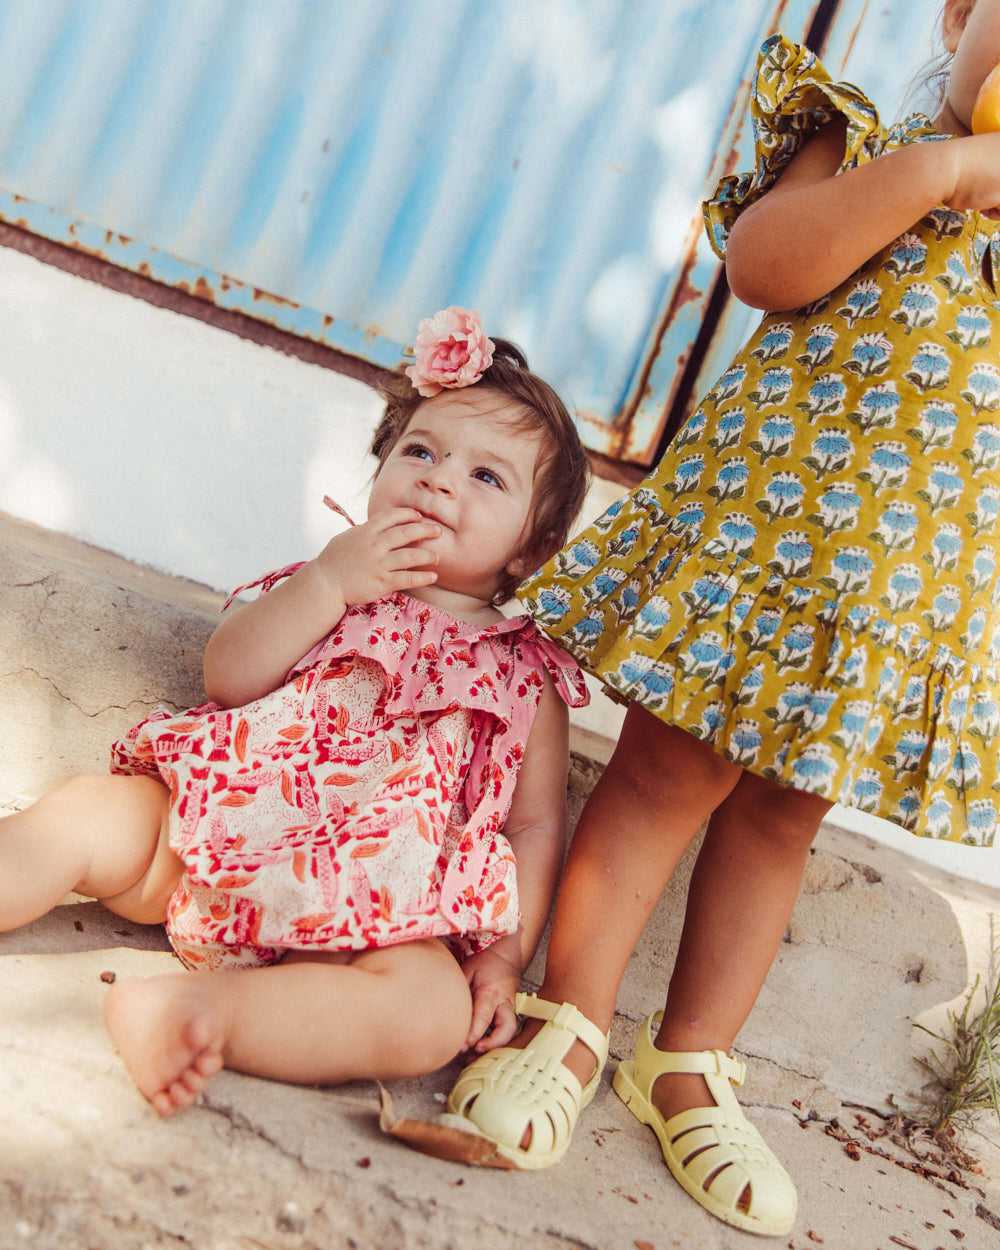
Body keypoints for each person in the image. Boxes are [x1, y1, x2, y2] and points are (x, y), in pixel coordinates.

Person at [441, 1, 1000, 1236]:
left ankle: (688, 1060)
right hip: (758, 555)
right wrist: (946, 172)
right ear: (960, 14)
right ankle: (570, 1022)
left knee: (784, 811)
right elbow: (765, 265)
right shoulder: (862, 143)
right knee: (661, 774)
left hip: (893, 608)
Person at [0, 306, 591, 1119]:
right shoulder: (340, 579)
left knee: (427, 1014)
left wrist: (503, 953)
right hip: (208, 841)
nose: (440, 477)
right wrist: (326, 583)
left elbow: (530, 827)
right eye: (419, 451)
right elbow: (229, 678)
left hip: (376, 917)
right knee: (94, 815)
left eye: (487, 477)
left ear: (530, 549)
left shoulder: (526, 674)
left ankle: (194, 1015)